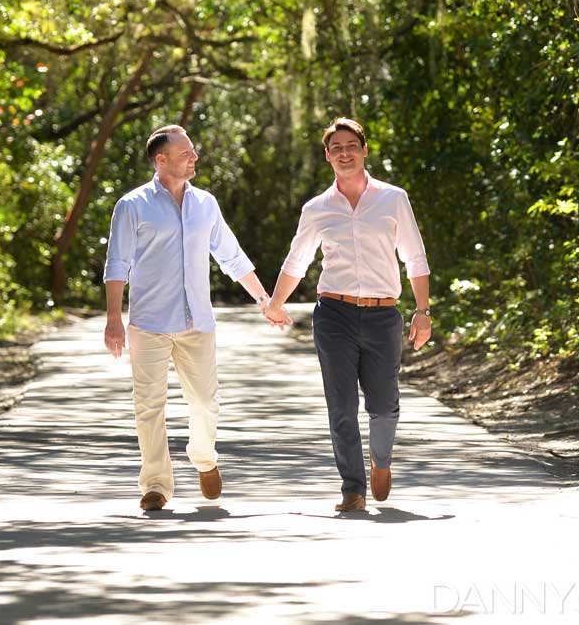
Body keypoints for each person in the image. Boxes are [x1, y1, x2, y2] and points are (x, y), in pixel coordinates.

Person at [263, 117, 432, 512]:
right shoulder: (317, 208)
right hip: (333, 313)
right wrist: (275, 302)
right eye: (336, 147)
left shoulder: (393, 199)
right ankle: (352, 488)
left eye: (351, 145)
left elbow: (415, 257)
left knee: (384, 402)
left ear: (364, 149)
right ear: (327, 156)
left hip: (382, 314)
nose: (344, 152)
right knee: (341, 405)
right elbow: (298, 260)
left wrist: (422, 311)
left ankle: (381, 461)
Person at [104, 124, 273, 511]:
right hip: (148, 322)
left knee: (204, 403)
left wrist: (264, 299)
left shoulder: (206, 204)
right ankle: (156, 485)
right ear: (161, 160)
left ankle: (204, 458)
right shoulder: (132, 206)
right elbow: (117, 263)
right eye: (186, 154)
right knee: (148, 406)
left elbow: (231, 256)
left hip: (197, 322)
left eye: (194, 152)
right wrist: (114, 318)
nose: (194, 158)